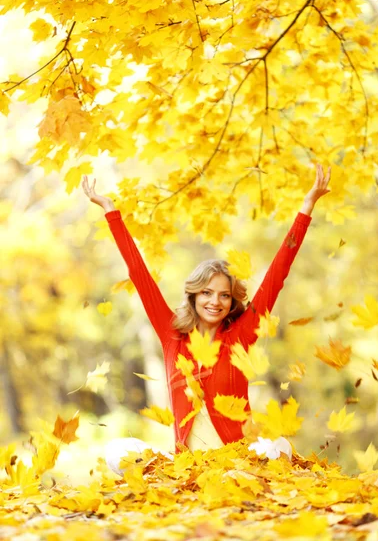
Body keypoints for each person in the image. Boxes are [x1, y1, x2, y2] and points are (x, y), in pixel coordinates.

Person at [82, 164, 331, 476]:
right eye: (207, 293)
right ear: (194, 295)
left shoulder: (241, 335)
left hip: (239, 460)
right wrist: (111, 211)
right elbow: (139, 273)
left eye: (224, 295)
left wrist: (306, 208)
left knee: (274, 446)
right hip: (188, 467)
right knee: (117, 452)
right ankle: (184, 480)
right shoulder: (171, 333)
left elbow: (277, 275)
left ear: (232, 301)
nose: (215, 301)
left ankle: (244, 477)